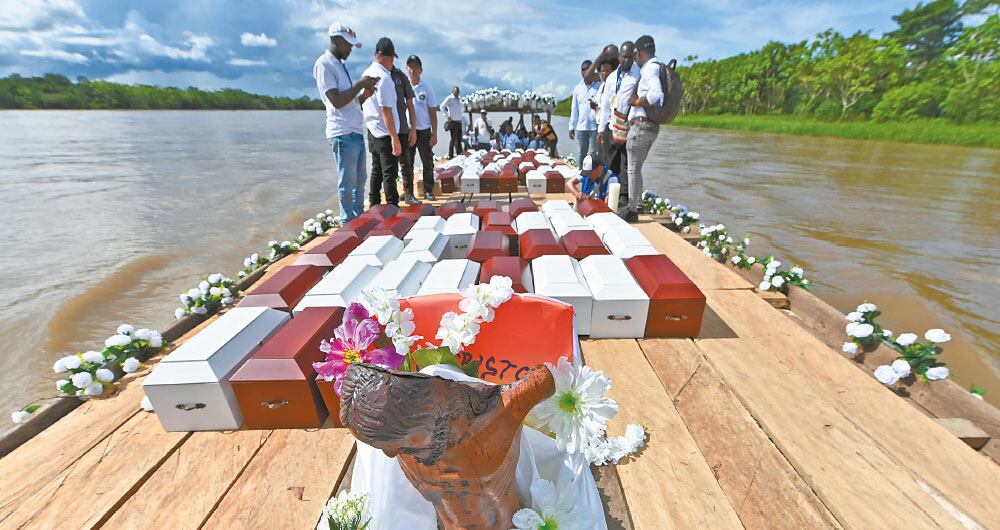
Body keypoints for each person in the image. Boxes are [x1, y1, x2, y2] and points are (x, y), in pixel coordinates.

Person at [313, 22, 377, 223]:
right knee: (347, 182)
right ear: (335, 40)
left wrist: (365, 94)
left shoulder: (341, 65)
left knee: (360, 180)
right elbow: (337, 101)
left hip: (355, 130)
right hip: (342, 133)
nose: (350, 48)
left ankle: (358, 217)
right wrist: (359, 83)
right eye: (348, 44)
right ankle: (347, 222)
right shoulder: (324, 64)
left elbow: (351, 102)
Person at [625, 35, 664, 223]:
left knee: (631, 168)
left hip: (640, 124)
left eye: (635, 56)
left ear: (639, 54)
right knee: (637, 168)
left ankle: (632, 210)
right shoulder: (659, 67)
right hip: (652, 126)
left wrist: (637, 101)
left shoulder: (649, 70)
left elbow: (656, 94)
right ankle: (638, 204)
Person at [598, 41, 638, 216]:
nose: (626, 60)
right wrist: (601, 129)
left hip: (628, 126)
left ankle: (623, 198)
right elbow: (606, 105)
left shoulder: (638, 75)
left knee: (625, 163)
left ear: (634, 57)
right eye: (623, 56)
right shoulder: (613, 77)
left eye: (629, 57)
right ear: (619, 57)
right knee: (609, 161)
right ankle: (607, 193)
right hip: (611, 125)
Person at [361, 37, 402, 207]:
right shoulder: (384, 78)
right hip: (385, 133)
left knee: (376, 171)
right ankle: (393, 208)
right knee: (389, 173)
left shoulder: (367, 73)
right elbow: (386, 110)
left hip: (372, 130)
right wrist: (394, 137)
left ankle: (374, 205)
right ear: (390, 57)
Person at [406, 55, 438, 201]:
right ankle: (408, 192)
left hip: (424, 130)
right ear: (407, 69)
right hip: (407, 130)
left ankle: (428, 190)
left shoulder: (426, 88)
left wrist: (434, 133)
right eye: (410, 66)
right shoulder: (403, 86)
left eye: (416, 66)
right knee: (407, 162)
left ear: (421, 69)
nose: (413, 69)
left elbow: (432, 111)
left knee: (427, 161)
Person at [390, 64, 418, 204]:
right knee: (389, 169)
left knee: (406, 164)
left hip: (402, 128)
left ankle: (409, 194)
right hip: (385, 131)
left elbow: (410, 103)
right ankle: (391, 201)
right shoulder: (376, 74)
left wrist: (413, 128)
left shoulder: (400, 77)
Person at [568, 60, 601, 168]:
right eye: (583, 69)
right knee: (582, 154)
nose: (586, 71)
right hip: (581, 128)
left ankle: (592, 179)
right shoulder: (577, 88)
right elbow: (574, 110)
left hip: (595, 127)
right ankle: (581, 177)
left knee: (593, 155)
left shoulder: (600, 86)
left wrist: (596, 107)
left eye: (588, 68)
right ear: (581, 72)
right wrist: (571, 127)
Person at [594, 56, 618, 162]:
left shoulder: (614, 86)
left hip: (609, 125)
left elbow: (613, 105)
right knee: (601, 155)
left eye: (607, 71)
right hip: (600, 124)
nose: (604, 73)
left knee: (608, 157)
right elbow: (601, 105)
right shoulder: (601, 87)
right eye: (602, 71)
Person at [439, 86, 463, 157]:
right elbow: (442, 107)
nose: (457, 94)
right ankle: (451, 155)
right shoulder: (449, 98)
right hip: (453, 121)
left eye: (458, 93)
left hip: (459, 121)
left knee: (459, 139)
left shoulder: (459, 99)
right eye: (456, 92)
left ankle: (459, 154)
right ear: (453, 92)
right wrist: (447, 116)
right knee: (453, 139)